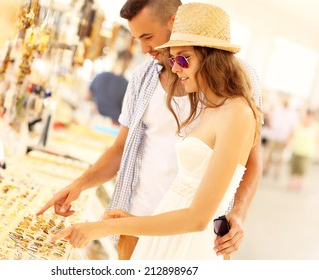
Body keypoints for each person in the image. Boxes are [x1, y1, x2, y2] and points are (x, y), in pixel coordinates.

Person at [37, 0, 262, 259]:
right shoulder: (143, 78)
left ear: (174, 22)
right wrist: (79, 185)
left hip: (192, 235)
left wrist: (238, 213)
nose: (144, 49)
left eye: (148, 37)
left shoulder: (237, 89)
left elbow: (249, 163)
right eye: (136, 39)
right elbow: (119, 149)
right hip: (137, 222)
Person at [87, 50, 133, 124]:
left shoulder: (100, 76)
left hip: (95, 118)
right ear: (128, 63)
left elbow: (87, 98)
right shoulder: (126, 84)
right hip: (113, 123)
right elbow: (125, 110)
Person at [287, 109, 319, 191]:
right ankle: (292, 182)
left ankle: (299, 182)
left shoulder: (315, 127)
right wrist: (288, 142)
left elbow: (316, 139)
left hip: (306, 151)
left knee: (302, 168)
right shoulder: (298, 124)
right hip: (296, 149)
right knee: (294, 166)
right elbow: (291, 134)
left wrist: (316, 150)